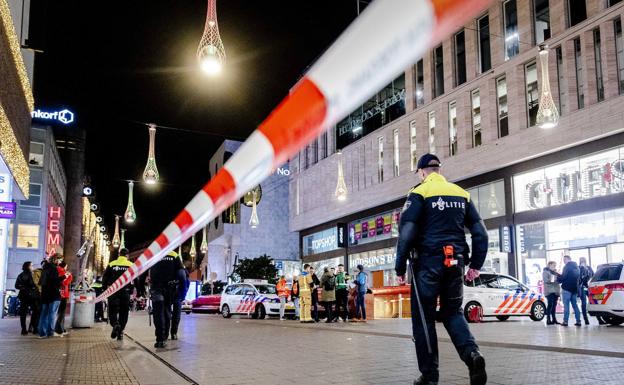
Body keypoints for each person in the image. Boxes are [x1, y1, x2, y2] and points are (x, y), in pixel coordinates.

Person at [395, 153, 488, 385]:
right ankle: (472, 355)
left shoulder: (419, 193)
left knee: (424, 319)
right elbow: (480, 232)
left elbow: (406, 232)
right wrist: (476, 264)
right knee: (453, 313)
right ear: (439, 170)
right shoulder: (461, 194)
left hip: (427, 263)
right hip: (455, 263)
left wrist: (399, 268)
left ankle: (429, 376)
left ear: (422, 172)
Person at [149, 250, 185, 348]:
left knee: (158, 313)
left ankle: (160, 339)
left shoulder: (153, 254)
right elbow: (182, 274)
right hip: (169, 289)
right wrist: (182, 291)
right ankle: (165, 337)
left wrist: (140, 288)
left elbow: (143, 271)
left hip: (156, 288)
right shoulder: (174, 255)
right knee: (166, 312)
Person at [102, 248, 134, 341]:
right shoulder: (131, 265)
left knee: (112, 310)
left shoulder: (112, 264)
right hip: (125, 292)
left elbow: (105, 277)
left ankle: (115, 324)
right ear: (127, 256)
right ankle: (120, 332)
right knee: (124, 312)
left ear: (119, 255)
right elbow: (134, 279)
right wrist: (133, 290)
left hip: (113, 291)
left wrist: (104, 289)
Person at [38, 256, 63, 338]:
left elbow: (43, 282)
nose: (60, 262)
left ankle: (42, 333)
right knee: (52, 314)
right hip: (53, 295)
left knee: (44, 314)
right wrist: (64, 277)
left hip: (45, 295)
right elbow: (55, 282)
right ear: (55, 260)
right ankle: (50, 332)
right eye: (59, 260)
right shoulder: (53, 269)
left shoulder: (44, 269)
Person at [15, 262, 38, 335]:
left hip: (23, 296)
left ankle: (24, 329)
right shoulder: (32, 274)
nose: (33, 267)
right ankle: (33, 328)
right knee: (36, 311)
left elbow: (16, 286)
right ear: (28, 266)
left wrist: (23, 287)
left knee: (23, 313)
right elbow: (33, 284)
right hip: (32, 296)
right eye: (32, 265)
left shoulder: (20, 275)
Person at [557, 255, 581, 327]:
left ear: (568, 259)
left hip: (567, 289)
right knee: (575, 305)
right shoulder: (577, 267)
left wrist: (558, 278)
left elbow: (563, 277)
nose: (564, 261)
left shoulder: (567, 267)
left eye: (564, 260)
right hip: (574, 289)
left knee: (566, 305)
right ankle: (578, 321)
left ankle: (565, 321)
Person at [170, 263, 189, 339]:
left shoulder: (172, 271)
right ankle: (174, 333)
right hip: (177, 297)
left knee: (172, 315)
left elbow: (185, 287)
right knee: (176, 316)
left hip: (174, 296)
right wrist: (182, 297)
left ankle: (170, 333)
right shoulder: (183, 273)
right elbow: (185, 288)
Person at [55, 261, 73, 335]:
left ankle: (59, 328)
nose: (67, 268)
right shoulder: (63, 272)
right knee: (61, 313)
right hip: (63, 295)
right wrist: (70, 276)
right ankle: (59, 329)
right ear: (64, 266)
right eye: (66, 266)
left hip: (58, 294)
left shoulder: (56, 271)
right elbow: (64, 282)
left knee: (58, 312)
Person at [578, 257, 593, 325]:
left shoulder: (589, 268)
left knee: (593, 301)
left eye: (583, 261)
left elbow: (593, 275)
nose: (582, 262)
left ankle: (599, 318)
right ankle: (585, 319)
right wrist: (582, 268)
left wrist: (586, 269)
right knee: (583, 303)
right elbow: (579, 278)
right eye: (581, 261)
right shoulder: (579, 268)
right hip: (582, 288)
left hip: (589, 287)